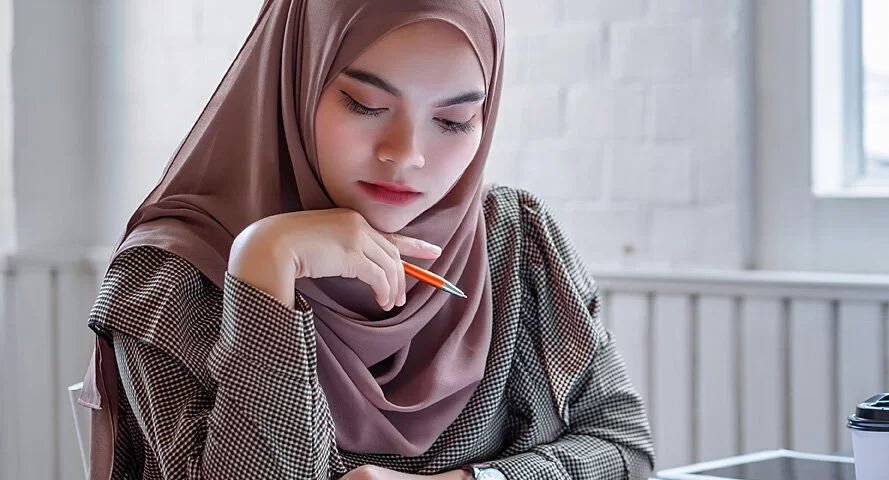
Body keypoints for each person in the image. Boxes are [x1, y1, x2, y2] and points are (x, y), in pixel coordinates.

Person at [78, 1, 654, 478]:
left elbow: (623, 447)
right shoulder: (169, 277)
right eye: (366, 104)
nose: (407, 155)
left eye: (454, 121)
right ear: (295, 79)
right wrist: (266, 264)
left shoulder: (519, 240)